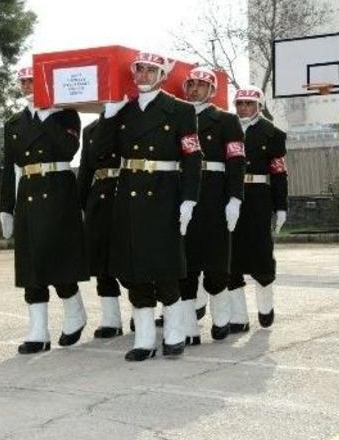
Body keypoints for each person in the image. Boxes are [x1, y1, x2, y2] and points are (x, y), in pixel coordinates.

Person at [89, 51, 202, 361]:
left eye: (151, 70)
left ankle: (175, 332)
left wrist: (189, 199)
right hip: (128, 195)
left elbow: (192, 157)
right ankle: (144, 337)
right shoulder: (122, 110)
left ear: (162, 75)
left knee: (165, 267)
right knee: (134, 267)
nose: (144, 75)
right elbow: (99, 152)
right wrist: (108, 116)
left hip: (164, 193)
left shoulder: (179, 110)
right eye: (139, 69)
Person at [0, 66, 88, 354]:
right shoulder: (14, 122)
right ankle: (38, 331)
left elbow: (67, 149)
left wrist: (48, 114)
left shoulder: (66, 114)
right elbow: (11, 168)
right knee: (30, 266)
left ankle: (75, 312)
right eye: (23, 81)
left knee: (60, 261)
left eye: (32, 81)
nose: (27, 86)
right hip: (28, 194)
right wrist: (5, 208)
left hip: (59, 192)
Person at [181, 67, 246, 343]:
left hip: (214, 195)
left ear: (212, 90)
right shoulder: (178, 117)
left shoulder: (226, 120)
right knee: (186, 263)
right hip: (184, 193)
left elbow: (236, 160)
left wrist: (235, 198)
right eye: (191, 84)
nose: (194, 89)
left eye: (201, 85)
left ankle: (221, 317)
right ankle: (188, 327)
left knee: (217, 262)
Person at [229, 86, 288, 332]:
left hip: (258, 197)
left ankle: (265, 306)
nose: (243, 108)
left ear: (259, 106)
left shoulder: (272, 133)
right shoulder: (227, 128)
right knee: (230, 257)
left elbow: (278, 172)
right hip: (231, 197)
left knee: (261, 253)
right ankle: (238, 317)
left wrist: (281, 205)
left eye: (248, 104)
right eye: (239, 103)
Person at [77, 114, 124, 339]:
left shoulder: (132, 119)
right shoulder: (91, 129)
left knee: (130, 255)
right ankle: (111, 319)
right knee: (100, 259)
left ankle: (142, 310)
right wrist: (80, 203)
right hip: (100, 195)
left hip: (127, 192)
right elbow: (86, 168)